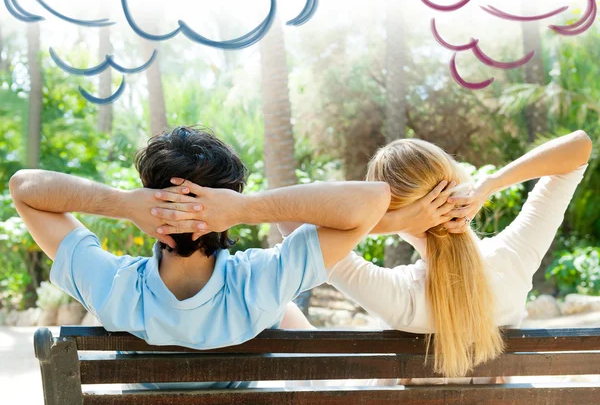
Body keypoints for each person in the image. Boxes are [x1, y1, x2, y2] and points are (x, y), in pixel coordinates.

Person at [156, 130, 590, 382]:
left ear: (393, 208)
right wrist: (490, 183)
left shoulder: (395, 295)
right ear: (457, 181)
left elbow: (297, 226)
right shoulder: (516, 255)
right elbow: (578, 150)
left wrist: (389, 218)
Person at [9, 125, 461, 350]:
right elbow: (372, 199)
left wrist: (126, 204)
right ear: (224, 210)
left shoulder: (111, 285)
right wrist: (243, 209)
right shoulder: (264, 282)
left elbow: (24, 188)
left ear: (152, 206)